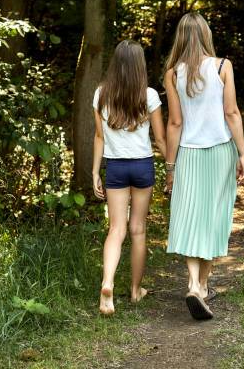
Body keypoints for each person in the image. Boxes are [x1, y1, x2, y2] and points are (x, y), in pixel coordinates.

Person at [163, 12, 244, 320]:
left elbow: (174, 123)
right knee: (214, 215)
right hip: (221, 151)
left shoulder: (172, 74)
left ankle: (193, 282)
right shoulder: (223, 67)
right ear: (206, 35)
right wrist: (242, 153)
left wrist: (170, 167)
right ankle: (202, 286)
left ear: (181, 38)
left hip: (188, 152)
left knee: (190, 215)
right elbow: (232, 113)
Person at [92, 40, 167, 315]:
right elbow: (159, 138)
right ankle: (136, 291)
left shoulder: (101, 94)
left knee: (116, 230)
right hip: (142, 166)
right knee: (137, 230)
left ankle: (107, 284)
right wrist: (172, 166)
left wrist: (94, 172)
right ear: (139, 66)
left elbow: (99, 137)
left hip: (115, 168)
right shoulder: (148, 95)